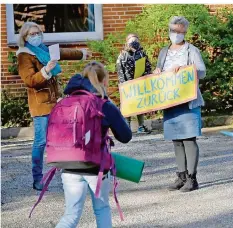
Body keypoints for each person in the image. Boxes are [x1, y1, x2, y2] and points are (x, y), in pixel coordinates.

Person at [56, 61, 132, 228]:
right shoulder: (105, 105)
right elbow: (126, 136)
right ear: (104, 81)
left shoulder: (67, 101)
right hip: (95, 167)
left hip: (68, 165)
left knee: (70, 216)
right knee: (102, 209)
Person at [17, 21, 89, 191]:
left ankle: (71, 174)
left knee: (63, 138)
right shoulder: (24, 55)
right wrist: (46, 71)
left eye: (38, 33)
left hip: (55, 103)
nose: (36, 36)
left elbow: (62, 53)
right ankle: (37, 179)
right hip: (40, 105)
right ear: (25, 37)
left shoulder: (43, 49)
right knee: (41, 142)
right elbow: (29, 81)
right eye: (32, 34)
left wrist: (82, 54)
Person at [153, 16, 206, 192]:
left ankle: (192, 178)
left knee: (189, 139)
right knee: (176, 140)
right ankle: (181, 176)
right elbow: (159, 73)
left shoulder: (192, 50)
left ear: (185, 32)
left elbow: (202, 71)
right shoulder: (164, 51)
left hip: (188, 101)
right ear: (169, 31)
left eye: (181, 32)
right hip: (170, 101)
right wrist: (157, 72)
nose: (177, 34)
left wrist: (184, 70)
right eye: (174, 31)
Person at [116, 33, 152, 134]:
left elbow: (148, 67)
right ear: (127, 42)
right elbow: (120, 71)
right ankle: (126, 126)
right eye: (131, 41)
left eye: (136, 40)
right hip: (127, 85)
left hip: (140, 84)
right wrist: (123, 84)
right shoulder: (123, 56)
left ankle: (141, 125)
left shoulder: (141, 54)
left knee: (140, 105)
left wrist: (146, 77)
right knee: (128, 105)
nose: (134, 43)